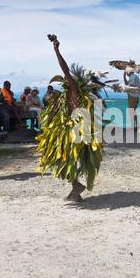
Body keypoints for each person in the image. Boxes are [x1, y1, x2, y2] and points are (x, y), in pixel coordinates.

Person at [36, 34, 104, 202]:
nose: (65, 82)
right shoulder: (64, 99)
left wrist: (56, 50)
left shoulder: (74, 93)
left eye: (67, 81)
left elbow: (65, 70)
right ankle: (76, 188)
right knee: (61, 162)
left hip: (73, 132)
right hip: (70, 131)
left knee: (60, 161)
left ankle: (76, 186)